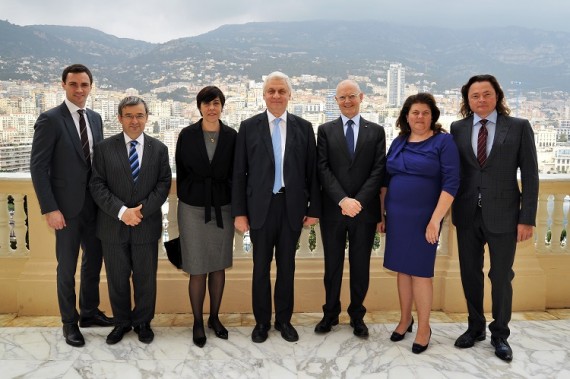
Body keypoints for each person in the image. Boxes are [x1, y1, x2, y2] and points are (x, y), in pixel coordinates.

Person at [451, 75, 539, 362]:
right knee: (470, 274)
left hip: (504, 215)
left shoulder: (519, 127)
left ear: (497, 96)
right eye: (474, 95)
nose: (481, 100)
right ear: (468, 100)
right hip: (466, 214)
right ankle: (475, 327)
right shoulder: (458, 128)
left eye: (486, 94)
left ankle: (500, 334)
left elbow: (530, 175)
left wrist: (527, 218)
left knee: (501, 277)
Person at [232, 71, 321, 343]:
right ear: (263, 95)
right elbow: (239, 173)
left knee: (287, 267)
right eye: (271, 91)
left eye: (282, 91)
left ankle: (284, 320)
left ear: (290, 95)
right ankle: (261, 323)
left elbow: (312, 173)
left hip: (291, 208)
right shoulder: (248, 127)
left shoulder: (304, 128)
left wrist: (314, 209)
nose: (276, 95)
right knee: (260, 268)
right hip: (260, 209)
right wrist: (239, 212)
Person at [30, 64, 113, 347]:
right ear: (63, 85)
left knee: (93, 263)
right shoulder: (50, 119)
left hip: (96, 206)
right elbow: (38, 168)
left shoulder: (96, 118)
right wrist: (50, 208)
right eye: (74, 84)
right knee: (66, 267)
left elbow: (99, 162)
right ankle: (69, 322)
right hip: (64, 209)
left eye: (84, 85)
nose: (79, 90)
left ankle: (89, 312)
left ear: (91, 87)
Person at [379, 93, 460, 354]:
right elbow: (386, 181)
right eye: (415, 112)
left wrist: (435, 220)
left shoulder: (443, 142)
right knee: (402, 270)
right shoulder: (399, 141)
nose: (420, 117)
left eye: (425, 112)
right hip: (397, 217)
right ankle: (405, 320)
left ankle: (424, 327)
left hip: (425, 219)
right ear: (406, 116)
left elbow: (451, 183)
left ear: (433, 116)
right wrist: (382, 215)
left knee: (421, 273)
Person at [89, 96, 171, 345]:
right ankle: (122, 322)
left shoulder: (159, 149)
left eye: (139, 115)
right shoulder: (104, 149)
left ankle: (143, 322)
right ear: (120, 118)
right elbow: (97, 184)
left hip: (146, 225)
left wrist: (140, 211)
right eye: (129, 116)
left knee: (146, 278)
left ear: (146, 118)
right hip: (113, 226)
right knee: (117, 278)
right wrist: (122, 211)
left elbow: (163, 183)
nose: (134, 121)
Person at [315, 79, 386, 338]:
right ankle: (330, 314)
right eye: (342, 97)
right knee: (331, 265)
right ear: (335, 101)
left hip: (364, 212)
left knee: (360, 266)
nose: (347, 101)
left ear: (361, 97)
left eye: (351, 96)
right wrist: (343, 200)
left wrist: (359, 201)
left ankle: (357, 316)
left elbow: (379, 170)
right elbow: (322, 168)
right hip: (334, 211)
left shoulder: (376, 131)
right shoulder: (325, 130)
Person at [175, 86, 237, 348]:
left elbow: (237, 172)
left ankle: (214, 317)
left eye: (216, 103)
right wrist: (194, 193)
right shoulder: (187, 135)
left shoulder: (233, 136)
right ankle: (198, 321)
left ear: (222, 106)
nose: (211, 108)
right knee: (198, 267)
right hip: (192, 208)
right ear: (199, 106)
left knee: (219, 265)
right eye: (206, 103)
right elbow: (180, 169)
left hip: (223, 207)